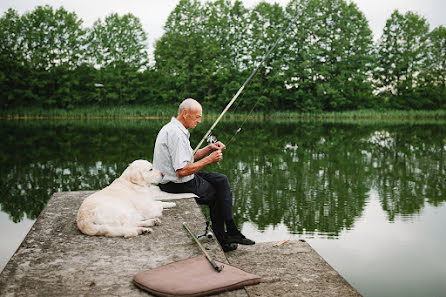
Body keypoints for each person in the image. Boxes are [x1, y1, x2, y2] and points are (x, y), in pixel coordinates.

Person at [153, 98, 255, 252]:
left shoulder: (174, 129)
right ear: (185, 113)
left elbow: (188, 158)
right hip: (175, 184)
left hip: (175, 179)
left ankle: (232, 230)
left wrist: (209, 148)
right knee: (217, 197)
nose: (199, 121)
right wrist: (209, 160)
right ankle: (225, 240)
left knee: (221, 180)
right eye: (197, 117)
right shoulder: (176, 134)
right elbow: (181, 171)